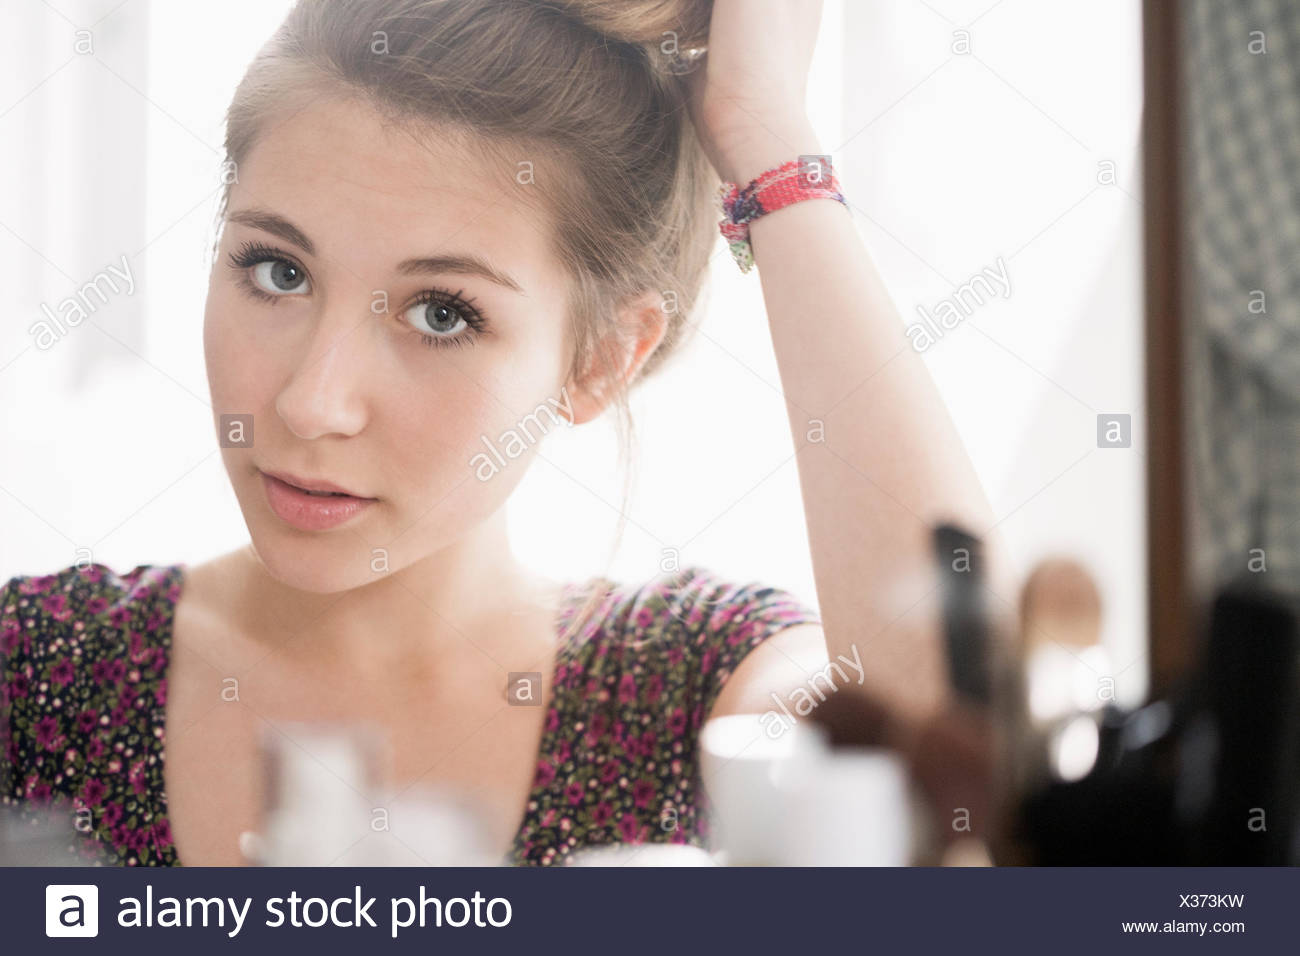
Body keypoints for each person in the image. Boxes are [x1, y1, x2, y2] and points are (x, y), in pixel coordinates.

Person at [1, 0, 1002, 867]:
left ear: (601, 357)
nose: (313, 402)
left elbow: (960, 774)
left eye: (442, 312)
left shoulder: (689, 693)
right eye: (279, 270)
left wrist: (769, 140)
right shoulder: (35, 670)